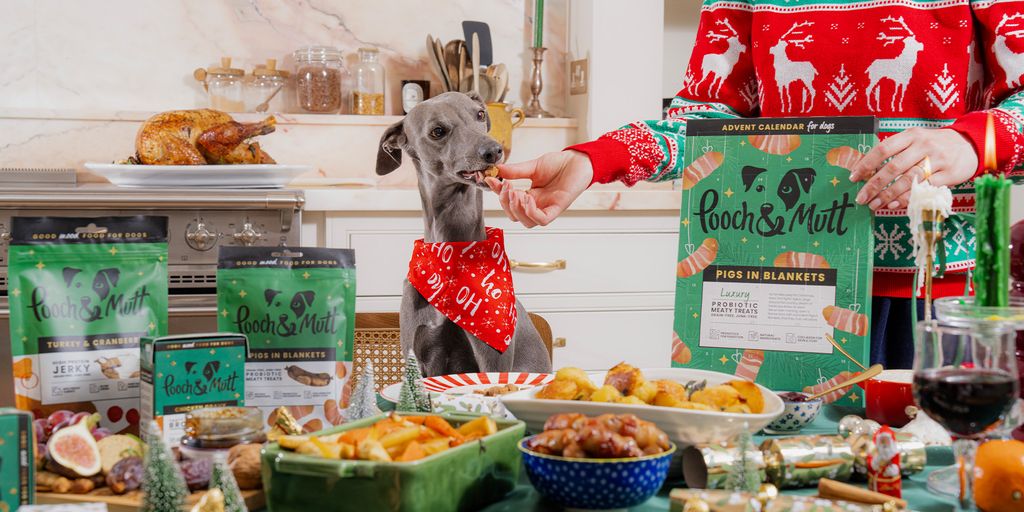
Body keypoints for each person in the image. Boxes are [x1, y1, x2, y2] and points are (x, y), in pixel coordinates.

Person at [486, 0, 1024, 368]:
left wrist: (973, 142)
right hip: (785, 295)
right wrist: (595, 159)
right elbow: (705, 124)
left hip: (933, 300)